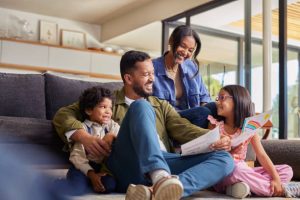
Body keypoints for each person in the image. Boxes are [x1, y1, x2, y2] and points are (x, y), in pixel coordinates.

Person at [53, 50, 234, 199]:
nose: (152, 79)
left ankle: (161, 190)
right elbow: (63, 115)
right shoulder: (106, 101)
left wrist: (216, 138)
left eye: (153, 74)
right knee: (141, 105)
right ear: (129, 78)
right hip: (125, 165)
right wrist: (84, 137)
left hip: (164, 159)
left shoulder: (161, 105)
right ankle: (160, 177)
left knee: (225, 160)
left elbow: (183, 128)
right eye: (146, 74)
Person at [208, 85, 299, 198]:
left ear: (238, 101)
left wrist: (275, 178)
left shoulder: (249, 129)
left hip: (245, 171)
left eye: (222, 97)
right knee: (238, 170)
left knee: (286, 170)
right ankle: (283, 189)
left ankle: (242, 187)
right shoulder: (214, 125)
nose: (218, 102)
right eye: (217, 99)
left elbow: (261, 155)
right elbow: (209, 150)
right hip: (225, 171)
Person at [152, 25, 216, 128]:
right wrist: (203, 112)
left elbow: (204, 97)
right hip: (168, 118)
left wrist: (210, 117)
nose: (185, 52)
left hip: (191, 116)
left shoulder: (191, 67)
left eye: (190, 50)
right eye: (182, 46)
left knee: (215, 106)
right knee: (202, 112)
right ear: (171, 40)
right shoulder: (152, 68)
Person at [65, 86, 119, 194]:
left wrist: (112, 135)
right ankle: (58, 183)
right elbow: (77, 158)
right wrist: (92, 175)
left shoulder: (111, 126)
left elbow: (121, 136)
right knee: (76, 188)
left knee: (111, 185)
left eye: (110, 108)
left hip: (101, 168)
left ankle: (91, 183)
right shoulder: (83, 129)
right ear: (89, 110)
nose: (108, 111)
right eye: (103, 107)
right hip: (81, 167)